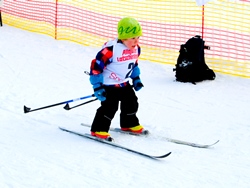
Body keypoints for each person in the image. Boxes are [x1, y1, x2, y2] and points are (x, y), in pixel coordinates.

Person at [89, 17, 144, 139]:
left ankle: (129, 124)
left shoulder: (136, 49)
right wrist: (97, 86)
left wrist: (136, 79)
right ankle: (98, 129)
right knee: (109, 107)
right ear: (123, 37)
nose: (136, 41)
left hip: (123, 84)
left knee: (131, 102)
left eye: (138, 37)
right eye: (133, 38)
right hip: (109, 84)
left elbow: (133, 64)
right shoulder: (111, 50)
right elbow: (96, 66)